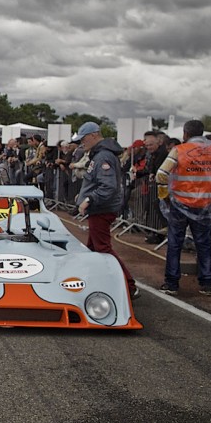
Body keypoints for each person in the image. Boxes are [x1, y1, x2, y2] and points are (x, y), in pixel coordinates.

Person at [155, 119, 211, 295]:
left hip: (179, 203)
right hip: (205, 205)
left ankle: (172, 283)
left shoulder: (179, 150)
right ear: (201, 133)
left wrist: (165, 197)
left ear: (185, 134)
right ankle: (207, 283)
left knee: (175, 243)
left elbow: (161, 175)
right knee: (204, 244)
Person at [72, 122, 136, 297]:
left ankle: (128, 285)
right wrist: (84, 195)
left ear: (93, 135)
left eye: (83, 139)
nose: (81, 143)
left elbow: (107, 186)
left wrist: (89, 199)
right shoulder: (101, 155)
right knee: (93, 247)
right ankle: (98, 280)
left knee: (102, 248)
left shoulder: (103, 157)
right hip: (99, 208)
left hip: (101, 208)